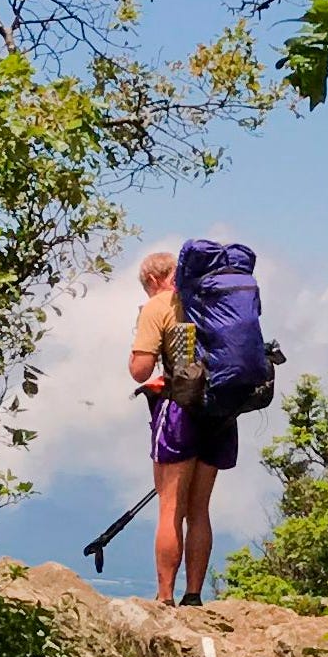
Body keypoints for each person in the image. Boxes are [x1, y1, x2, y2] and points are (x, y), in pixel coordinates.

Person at [128, 247, 238, 605]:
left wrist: (138, 351)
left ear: (152, 279)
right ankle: (194, 596)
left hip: (179, 409)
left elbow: (141, 369)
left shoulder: (157, 306)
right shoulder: (215, 302)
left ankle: (164, 598)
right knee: (200, 509)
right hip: (220, 410)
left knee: (171, 507)